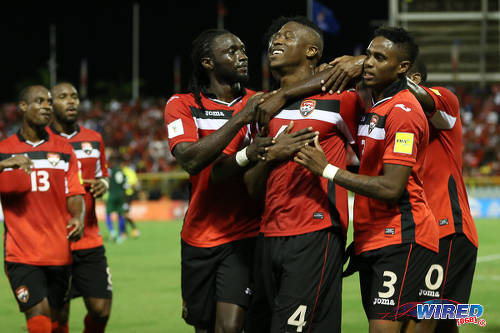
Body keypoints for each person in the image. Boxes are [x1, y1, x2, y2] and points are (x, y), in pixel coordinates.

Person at [294, 26, 439, 333]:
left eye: (379, 58)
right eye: (368, 55)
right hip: (374, 239)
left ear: (402, 68)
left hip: (403, 237)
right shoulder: (375, 107)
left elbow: (390, 187)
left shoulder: (403, 111)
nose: (368, 63)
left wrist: (327, 170)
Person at [243, 16, 362, 333]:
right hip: (267, 236)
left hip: (315, 232)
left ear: (312, 51)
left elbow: (371, 164)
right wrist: (270, 157)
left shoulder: (342, 100)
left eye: (287, 36)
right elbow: (251, 189)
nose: (276, 41)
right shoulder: (264, 108)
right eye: (275, 37)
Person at [164, 28, 277, 333]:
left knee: (230, 327)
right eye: (231, 51)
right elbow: (189, 159)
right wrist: (240, 118)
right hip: (198, 236)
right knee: (203, 326)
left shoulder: (262, 102)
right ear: (207, 62)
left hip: (245, 234)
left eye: (243, 50)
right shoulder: (182, 104)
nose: (242, 56)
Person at [0, 85, 85, 333]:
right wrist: (5, 164)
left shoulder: (64, 149)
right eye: (39, 101)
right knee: (39, 317)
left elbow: (75, 192)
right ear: (23, 107)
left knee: (59, 321)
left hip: (59, 251)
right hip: (21, 254)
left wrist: (77, 217)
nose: (47, 106)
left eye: (49, 101)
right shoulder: (5, 149)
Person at [404, 60, 478, 333]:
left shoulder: (444, 101)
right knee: (444, 326)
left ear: (414, 76)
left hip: (448, 229)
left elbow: (423, 98)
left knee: (423, 320)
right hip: (418, 233)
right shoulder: (399, 121)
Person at [47, 82, 112, 333]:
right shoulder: (43, 142)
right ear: (51, 105)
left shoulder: (93, 139)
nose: (71, 101)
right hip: (55, 240)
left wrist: (103, 183)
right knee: (59, 315)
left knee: (101, 309)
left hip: (90, 238)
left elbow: (103, 173)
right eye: (63, 97)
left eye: (74, 96)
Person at [106, 154, 129, 244]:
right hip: (120, 196)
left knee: (108, 214)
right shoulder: (123, 173)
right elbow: (126, 186)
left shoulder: (110, 172)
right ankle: (120, 235)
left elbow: (107, 183)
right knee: (120, 215)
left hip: (112, 195)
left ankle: (112, 231)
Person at [121, 160, 140, 238]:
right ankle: (127, 231)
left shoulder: (129, 172)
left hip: (127, 196)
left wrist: (127, 186)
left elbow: (134, 184)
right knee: (123, 214)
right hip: (121, 196)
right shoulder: (120, 172)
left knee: (124, 214)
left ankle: (130, 230)